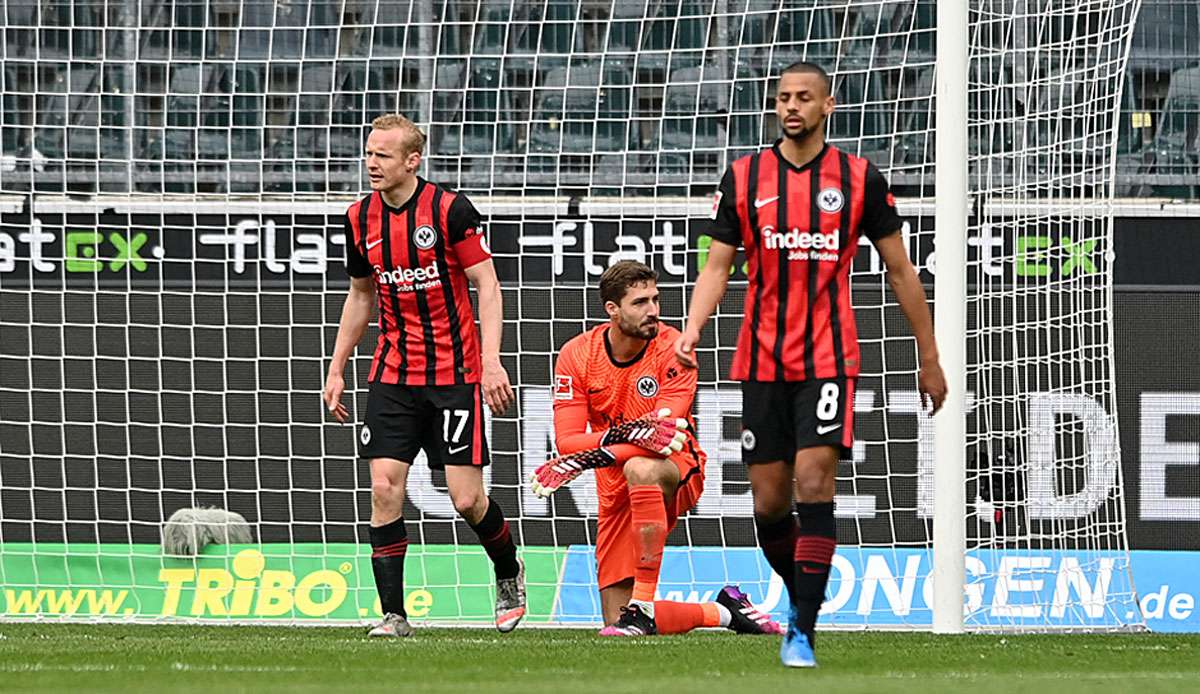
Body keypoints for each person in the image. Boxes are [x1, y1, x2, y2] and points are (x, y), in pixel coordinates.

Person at [674, 62, 948, 667]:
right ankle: (803, 598)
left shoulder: (858, 179)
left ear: (828, 104)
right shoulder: (745, 177)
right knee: (769, 503)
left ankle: (803, 627)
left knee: (815, 483)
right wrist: (692, 328)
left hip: (828, 357)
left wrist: (929, 357)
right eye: (782, 98)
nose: (791, 106)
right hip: (761, 359)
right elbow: (718, 265)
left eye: (803, 97)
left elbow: (902, 271)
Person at [323, 114, 524, 638]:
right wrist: (338, 365)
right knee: (384, 486)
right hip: (393, 374)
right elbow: (361, 295)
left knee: (465, 499)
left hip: (454, 375)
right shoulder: (357, 217)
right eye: (368, 153)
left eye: (383, 155)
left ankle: (508, 568)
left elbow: (488, 285)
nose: (371, 163)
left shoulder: (450, 210)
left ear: (412, 161)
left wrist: (491, 360)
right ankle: (394, 615)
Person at [532, 260, 783, 638]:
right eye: (639, 302)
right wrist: (613, 444)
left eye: (655, 299)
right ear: (612, 310)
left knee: (643, 468)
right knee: (616, 623)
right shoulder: (576, 354)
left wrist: (586, 458)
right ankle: (725, 610)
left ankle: (644, 604)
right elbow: (567, 440)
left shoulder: (675, 349)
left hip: (676, 465)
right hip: (613, 481)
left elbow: (663, 437)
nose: (653, 310)